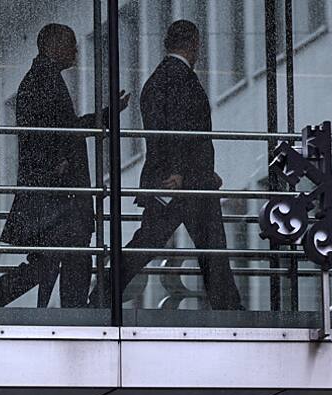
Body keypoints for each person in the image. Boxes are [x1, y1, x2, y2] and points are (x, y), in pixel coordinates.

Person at [0, 24, 129, 308]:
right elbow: (51, 134)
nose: (76, 51)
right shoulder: (43, 81)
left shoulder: (41, 79)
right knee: (67, 258)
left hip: (55, 194)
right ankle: (72, 315)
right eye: (71, 44)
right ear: (54, 46)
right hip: (59, 194)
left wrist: (103, 117)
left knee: (54, 259)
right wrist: (58, 162)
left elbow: (57, 131)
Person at [89, 20, 243, 310]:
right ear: (194, 43)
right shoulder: (178, 78)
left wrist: (199, 172)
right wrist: (183, 173)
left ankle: (102, 293)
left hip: (182, 178)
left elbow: (169, 131)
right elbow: (177, 131)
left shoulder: (160, 79)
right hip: (183, 181)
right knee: (208, 246)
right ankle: (230, 309)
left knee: (152, 241)